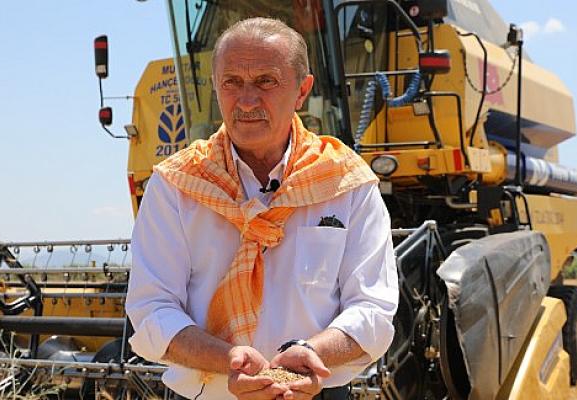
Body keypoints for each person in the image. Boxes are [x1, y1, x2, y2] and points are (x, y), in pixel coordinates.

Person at [125, 17, 398, 400]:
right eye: (232, 82)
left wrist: (314, 354)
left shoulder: (347, 183)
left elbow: (373, 308)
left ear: (302, 90)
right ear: (215, 86)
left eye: (266, 81)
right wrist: (227, 361)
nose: (247, 100)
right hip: (209, 391)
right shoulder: (175, 185)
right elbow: (152, 308)